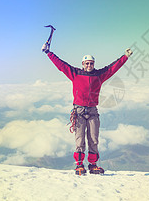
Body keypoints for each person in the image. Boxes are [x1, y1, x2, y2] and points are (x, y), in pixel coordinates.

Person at [42, 42, 133, 175]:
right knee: (79, 140)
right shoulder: (75, 73)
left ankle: (92, 165)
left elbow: (113, 68)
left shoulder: (99, 75)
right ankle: (79, 165)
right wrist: (48, 53)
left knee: (94, 139)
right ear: (83, 64)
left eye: (91, 63)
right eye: (87, 63)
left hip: (92, 111)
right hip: (79, 111)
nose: (89, 65)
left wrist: (125, 56)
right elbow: (61, 65)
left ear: (93, 64)